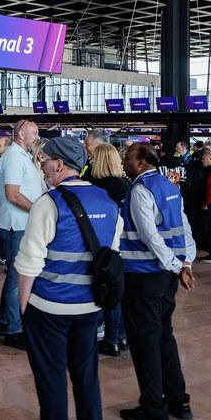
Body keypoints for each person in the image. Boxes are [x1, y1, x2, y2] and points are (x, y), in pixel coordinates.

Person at [16, 138, 123, 420]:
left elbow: (29, 264)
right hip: (89, 307)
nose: (43, 167)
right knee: (87, 378)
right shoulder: (108, 202)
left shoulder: (49, 203)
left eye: (45, 161)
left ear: (60, 165)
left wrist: (24, 308)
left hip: (49, 308)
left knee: (51, 382)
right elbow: (110, 255)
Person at [118, 144, 197, 420]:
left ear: (140, 163)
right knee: (164, 336)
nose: (124, 163)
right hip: (166, 277)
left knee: (145, 342)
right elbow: (184, 227)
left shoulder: (140, 191)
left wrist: (177, 266)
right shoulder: (169, 186)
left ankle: (154, 407)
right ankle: (179, 400)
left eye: (127, 158)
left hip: (144, 276)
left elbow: (150, 236)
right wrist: (185, 263)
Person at [0, 119, 43, 350]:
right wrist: (37, 211)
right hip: (16, 225)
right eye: (34, 133)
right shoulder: (13, 157)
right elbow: (12, 194)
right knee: (17, 278)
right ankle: (14, 329)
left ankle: (5, 322)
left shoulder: (22, 156)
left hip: (21, 223)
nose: (37, 137)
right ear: (22, 135)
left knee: (15, 277)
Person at [87, 143, 130, 357]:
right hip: (121, 243)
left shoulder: (94, 186)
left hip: (100, 243)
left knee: (102, 288)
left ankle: (107, 335)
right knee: (118, 290)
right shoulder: (125, 185)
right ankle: (120, 336)